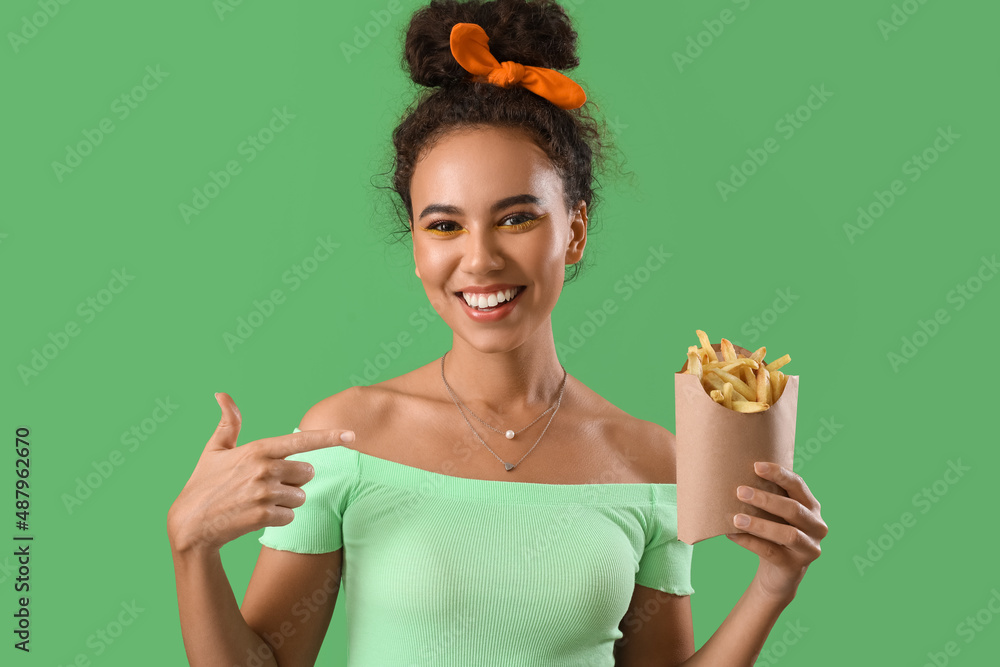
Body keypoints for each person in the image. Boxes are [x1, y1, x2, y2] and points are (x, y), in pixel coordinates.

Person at [166, 1, 829, 665]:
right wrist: (190, 546)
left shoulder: (653, 464)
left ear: (574, 230)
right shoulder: (347, 437)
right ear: (417, 244)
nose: (479, 260)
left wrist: (774, 584)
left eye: (516, 219)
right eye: (445, 225)